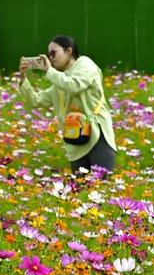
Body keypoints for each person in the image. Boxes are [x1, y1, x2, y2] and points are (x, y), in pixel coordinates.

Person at [18, 36, 116, 176]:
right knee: (80, 190)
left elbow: (74, 85)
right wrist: (23, 78)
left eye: (53, 53)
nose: (50, 58)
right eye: (48, 55)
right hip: (74, 139)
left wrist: (50, 71)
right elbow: (36, 100)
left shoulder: (85, 64)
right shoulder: (60, 79)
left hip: (97, 134)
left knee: (103, 184)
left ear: (69, 51)